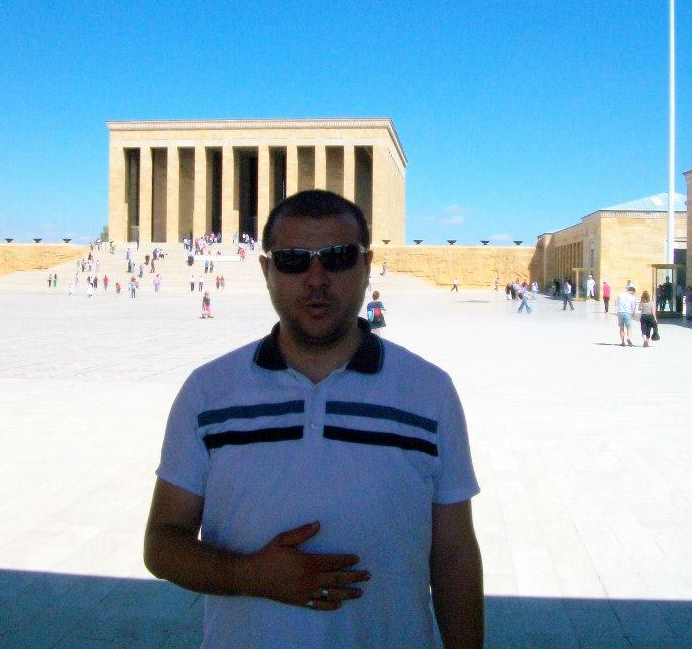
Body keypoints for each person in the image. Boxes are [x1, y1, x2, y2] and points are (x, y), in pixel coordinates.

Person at [144, 190, 483, 649]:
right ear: (266, 270)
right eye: (293, 261)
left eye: (338, 258)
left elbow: (455, 554)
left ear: (367, 265)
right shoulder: (208, 392)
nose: (316, 278)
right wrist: (250, 575)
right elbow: (162, 543)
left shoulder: (429, 393)